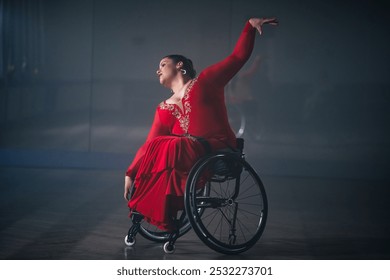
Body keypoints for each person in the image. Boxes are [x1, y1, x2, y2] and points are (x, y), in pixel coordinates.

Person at [124, 17, 278, 231]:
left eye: (162, 64)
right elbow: (150, 143)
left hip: (218, 146)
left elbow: (237, 57)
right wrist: (131, 172)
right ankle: (162, 213)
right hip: (190, 154)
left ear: (179, 65)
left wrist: (249, 27)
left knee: (172, 144)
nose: (157, 70)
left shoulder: (205, 81)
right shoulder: (164, 107)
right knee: (160, 146)